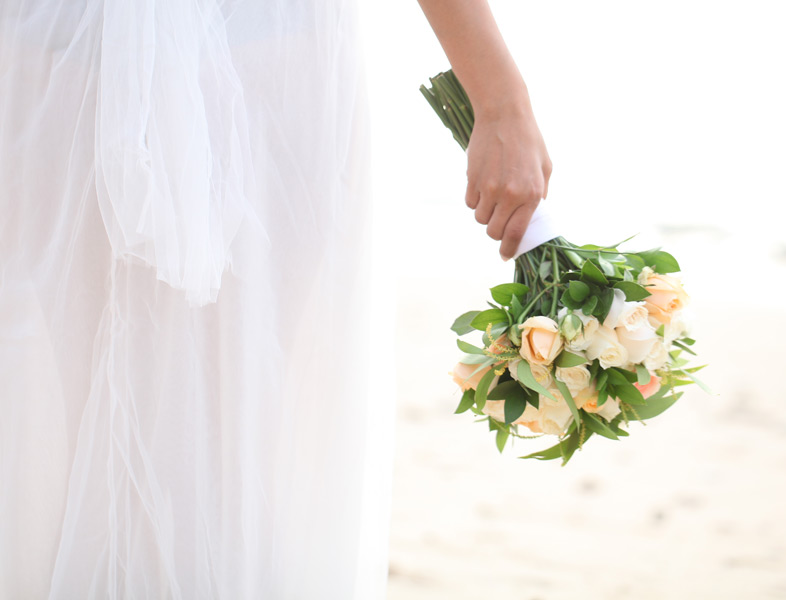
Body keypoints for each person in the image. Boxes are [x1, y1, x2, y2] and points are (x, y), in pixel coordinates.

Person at [0, 0, 550, 598]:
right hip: (100, 43)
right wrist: (499, 97)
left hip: (198, 46)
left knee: (219, 440)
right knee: (150, 445)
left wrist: (501, 97)